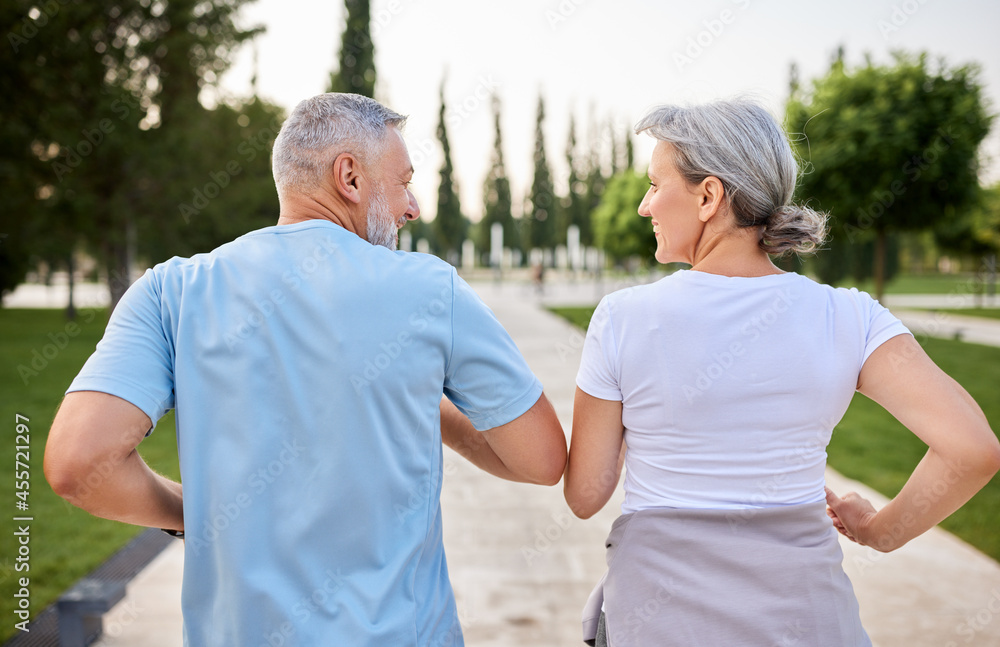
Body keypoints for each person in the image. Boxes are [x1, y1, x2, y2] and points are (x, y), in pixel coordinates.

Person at [44, 93, 567, 646]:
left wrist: (194, 514)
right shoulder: (430, 289)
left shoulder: (172, 290)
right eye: (403, 181)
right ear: (350, 176)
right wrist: (424, 402)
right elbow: (541, 460)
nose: (412, 206)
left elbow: (78, 464)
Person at [562, 98, 1000, 646]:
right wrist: (878, 532)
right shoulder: (849, 316)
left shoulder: (622, 319)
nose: (645, 206)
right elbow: (972, 450)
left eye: (655, 184)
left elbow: (585, 495)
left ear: (708, 195)